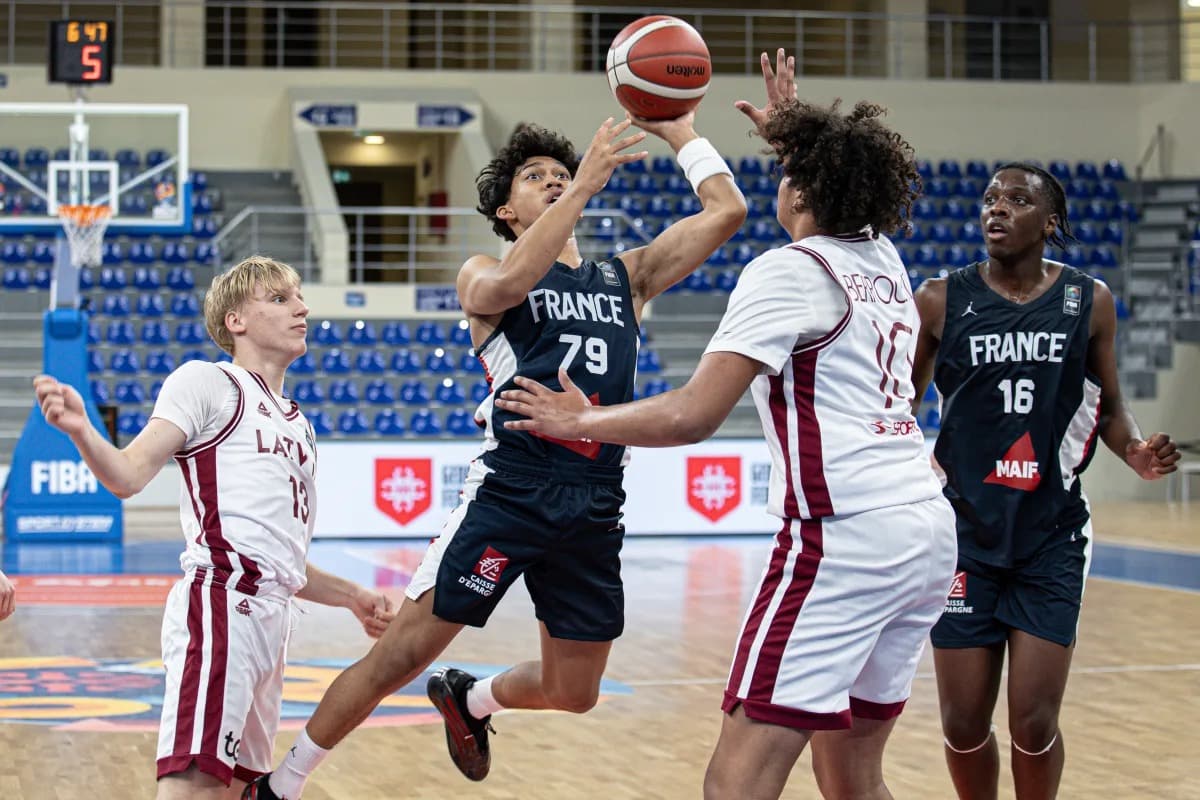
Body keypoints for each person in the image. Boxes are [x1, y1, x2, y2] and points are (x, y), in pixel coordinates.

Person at [494, 49, 957, 800]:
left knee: (734, 782)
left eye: (789, 172)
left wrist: (582, 418)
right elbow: (834, 193)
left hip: (845, 536)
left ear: (801, 187)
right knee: (852, 772)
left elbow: (690, 416)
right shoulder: (885, 258)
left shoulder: (787, 272)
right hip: (927, 533)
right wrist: (790, 141)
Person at [243, 113, 745, 800]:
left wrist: (681, 130)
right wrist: (585, 185)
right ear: (507, 210)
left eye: (562, 175)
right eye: (536, 178)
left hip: (596, 500)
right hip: (512, 491)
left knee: (575, 692)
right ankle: (282, 785)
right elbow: (505, 289)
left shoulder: (624, 277)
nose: (555, 182)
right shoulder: (483, 271)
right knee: (402, 654)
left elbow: (728, 209)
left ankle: (471, 699)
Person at [34, 255, 394, 800]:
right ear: (236, 321)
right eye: (279, 299)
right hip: (222, 605)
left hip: (274, 620)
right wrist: (83, 431)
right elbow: (129, 476)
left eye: (298, 296)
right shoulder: (209, 383)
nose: (301, 308)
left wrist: (352, 596)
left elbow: (283, 562)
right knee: (193, 788)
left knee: (234, 791)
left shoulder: (300, 423)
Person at [910, 164, 1179, 799]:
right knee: (961, 722)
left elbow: (1110, 408)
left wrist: (1134, 451)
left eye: (1017, 200)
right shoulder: (940, 300)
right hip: (964, 537)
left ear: (1049, 221)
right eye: (989, 199)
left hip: (1049, 536)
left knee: (1033, 722)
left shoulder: (1089, 301)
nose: (995, 209)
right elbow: (895, 409)